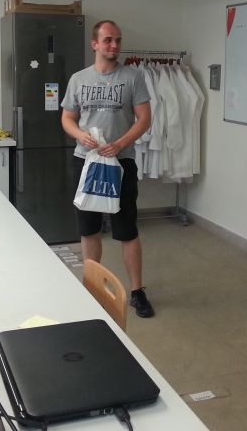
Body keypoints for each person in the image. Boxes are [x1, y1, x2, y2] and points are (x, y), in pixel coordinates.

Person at [61, 20, 155, 317]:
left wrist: (120, 143)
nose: (114, 45)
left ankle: (137, 291)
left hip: (121, 163)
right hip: (86, 162)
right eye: (108, 40)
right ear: (95, 44)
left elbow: (144, 119)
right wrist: (80, 135)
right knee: (89, 228)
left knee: (127, 229)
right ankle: (93, 288)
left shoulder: (133, 77)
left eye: (118, 40)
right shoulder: (78, 79)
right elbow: (67, 118)